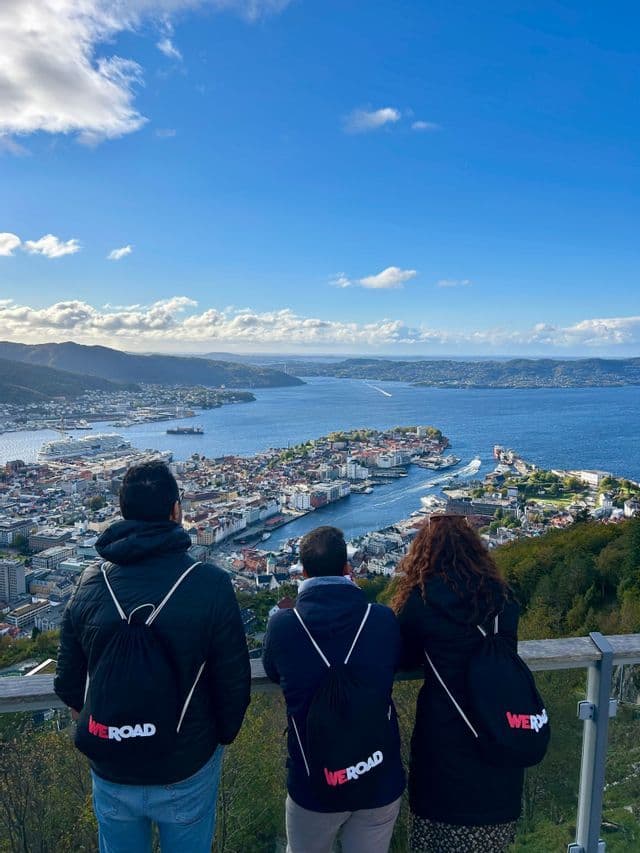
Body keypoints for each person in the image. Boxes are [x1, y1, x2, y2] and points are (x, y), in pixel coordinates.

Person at [54, 460, 251, 853]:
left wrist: (109, 727)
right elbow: (233, 683)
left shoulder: (90, 582)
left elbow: (68, 683)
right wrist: (216, 739)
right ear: (176, 511)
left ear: (122, 511)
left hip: (111, 764)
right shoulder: (210, 584)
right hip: (185, 763)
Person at [263, 525, 405, 853]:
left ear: (303, 572)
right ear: (347, 569)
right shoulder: (381, 619)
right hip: (378, 775)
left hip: (314, 781)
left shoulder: (284, 626)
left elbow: (272, 670)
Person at [391, 514, 522, 853]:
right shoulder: (504, 600)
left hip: (444, 747)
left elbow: (403, 656)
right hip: (499, 740)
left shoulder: (421, 601)